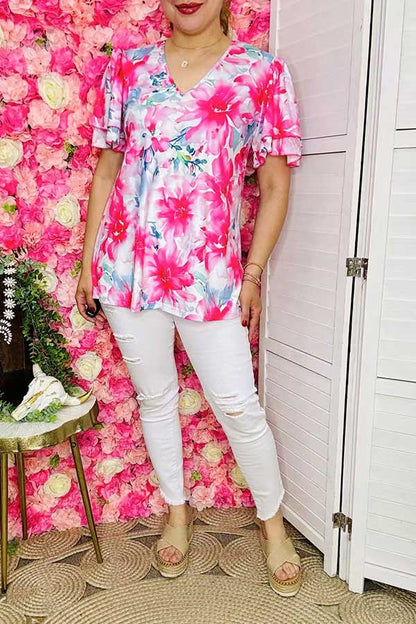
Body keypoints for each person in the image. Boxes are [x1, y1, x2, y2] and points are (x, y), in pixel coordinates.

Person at [76, 0, 303, 597]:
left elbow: (275, 185)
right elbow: (107, 172)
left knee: (238, 406)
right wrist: (88, 263)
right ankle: (177, 513)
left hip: (210, 276)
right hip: (127, 272)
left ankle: (272, 524)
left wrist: (252, 274)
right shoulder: (128, 69)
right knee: (156, 399)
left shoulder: (261, 74)